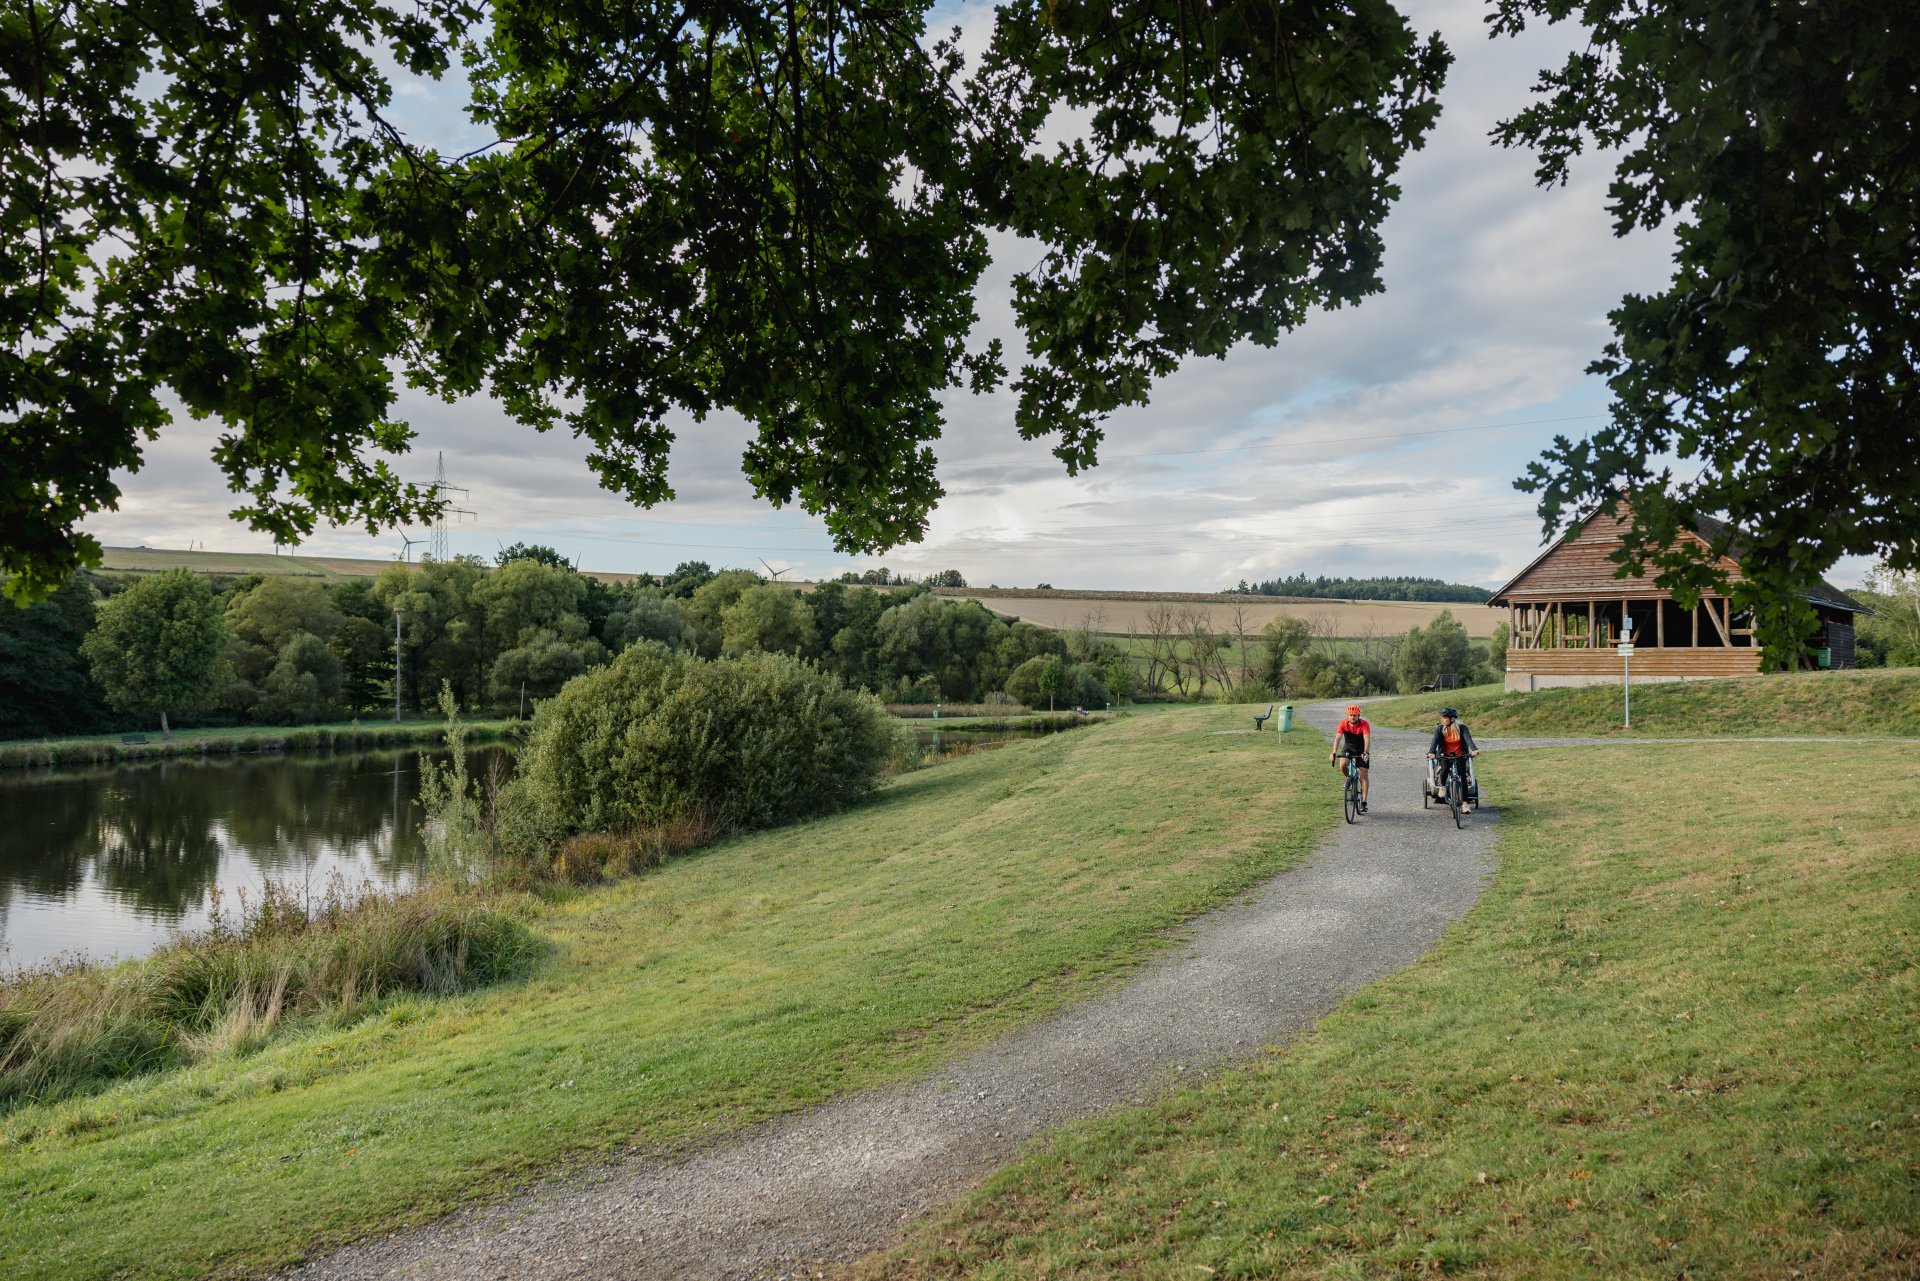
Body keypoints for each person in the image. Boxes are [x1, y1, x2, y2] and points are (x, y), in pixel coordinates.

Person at [1426, 706, 1480, 813]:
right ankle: (1442, 787)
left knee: (1463, 777)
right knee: (1444, 768)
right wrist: (1431, 752)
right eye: (1442, 718)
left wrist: (1474, 749)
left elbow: (1468, 739)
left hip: (1460, 755)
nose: (1442, 720)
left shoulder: (1462, 728)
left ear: (1452, 719)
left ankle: (1465, 804)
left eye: (1445, 718)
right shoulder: (1440, 728)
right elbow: (1435, 741)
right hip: (1445, 755)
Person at [1330, 702, 1371, 813]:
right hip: (1348, 748)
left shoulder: (1364, 724)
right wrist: (1334, 752)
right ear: (1348, 715)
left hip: (1361, 750)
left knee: (1363, 773)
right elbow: (1338, 738)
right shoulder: (1343, 724)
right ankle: (1350, 780)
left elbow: (1367, 739)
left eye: (1355, 715)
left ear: (1358, 715)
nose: (1353, 717)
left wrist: (1366, 752)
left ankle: (1364, 802)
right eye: (1351, 715)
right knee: (1342, 765)